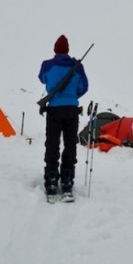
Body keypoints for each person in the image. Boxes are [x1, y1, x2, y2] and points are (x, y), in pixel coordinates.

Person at [38, 35, 89, 201]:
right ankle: (67, 181)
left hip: (54, 110)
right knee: (70, 144)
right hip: (71, 110)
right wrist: (71, 96)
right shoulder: (77, 66)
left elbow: (42, 78)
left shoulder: (47, 65)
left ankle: (51, 180)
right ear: (67, 50)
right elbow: (84, 87)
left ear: (55, 49)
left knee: (52, 144)